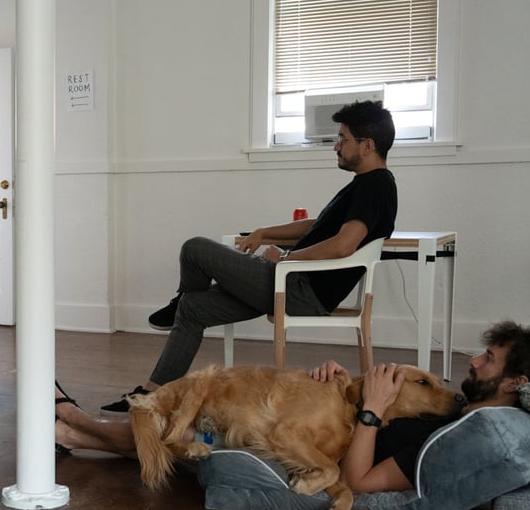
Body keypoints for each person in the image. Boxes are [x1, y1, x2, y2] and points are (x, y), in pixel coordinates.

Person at [101, 100, 398, 413]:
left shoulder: (375, 186)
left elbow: (343, 245)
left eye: (342, 139)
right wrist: (263, 232)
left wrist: (286, 259)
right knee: (194, 308)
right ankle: (152, 396)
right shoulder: (365, 185)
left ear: (367, 145)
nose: (336, 147)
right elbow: (318, 226)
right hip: (293, 283)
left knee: (195, 249)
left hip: (298, 288)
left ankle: (180, 298)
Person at [56, 321, 530, 494]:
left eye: (487, 360)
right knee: (202, 417)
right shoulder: (468, 414)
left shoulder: (462, 436)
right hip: (330, 422)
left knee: (200, 424)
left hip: (314, 452)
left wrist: (370, 411)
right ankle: (76, 434)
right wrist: (338, 387)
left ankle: (74, 421)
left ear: (516, 381)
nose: (474, 360)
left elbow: (358, 479)